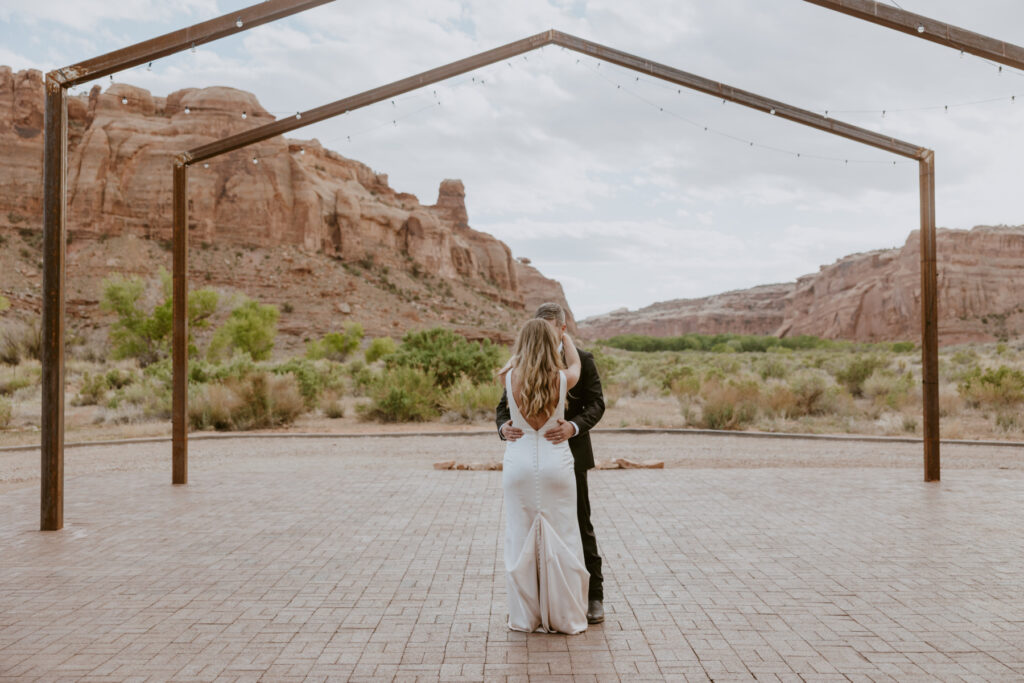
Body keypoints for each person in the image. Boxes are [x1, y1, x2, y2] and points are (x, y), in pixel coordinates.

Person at [496, 303, 606, 625]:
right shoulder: (526, 365)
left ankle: (594, 597)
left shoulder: (582, 360)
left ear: (562, 328)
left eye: (550, 327)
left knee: (580, 526)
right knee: (534, 529)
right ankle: (541, 601)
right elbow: (503, 408)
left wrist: (573, 427)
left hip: (570, 453)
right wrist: (503, 427)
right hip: (541, 458)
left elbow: (597, 403)